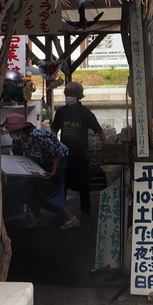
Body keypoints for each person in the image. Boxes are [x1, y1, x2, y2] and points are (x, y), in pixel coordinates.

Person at [1, 112, 80, 230]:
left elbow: (57, 152)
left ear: (20, 129)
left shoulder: (39, 135)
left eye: (12, 131)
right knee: (27, 193)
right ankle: (39, 219)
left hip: (55, 161)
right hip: (37, 163)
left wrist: (54, 171)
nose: (11, 134)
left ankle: (72, 219)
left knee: (47, 193)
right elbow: (18, 155)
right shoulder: (18, 140)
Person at [50, 80, 104, 221]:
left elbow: (99, 130)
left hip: (81, 154)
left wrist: (106, 148)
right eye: (67, 94)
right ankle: (61, 211)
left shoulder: (86, 113)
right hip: (64, 154)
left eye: (73, 94)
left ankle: (85, 211)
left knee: (83, 185)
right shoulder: (61, 112)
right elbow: (54, 130)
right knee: (62, 184)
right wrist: (53, 145)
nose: (69, 97)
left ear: (79, 96)